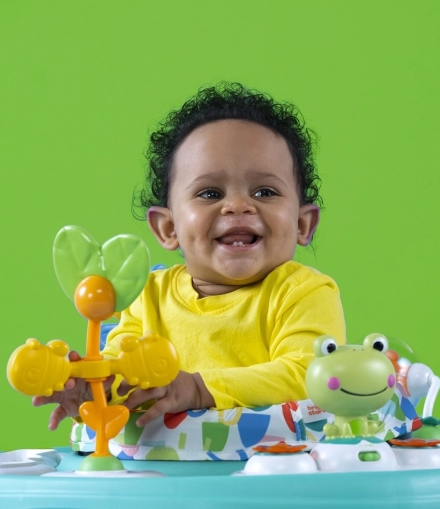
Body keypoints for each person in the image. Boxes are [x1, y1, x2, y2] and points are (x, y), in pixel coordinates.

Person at [33, 82, 346, 430]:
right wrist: (92, 391)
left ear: (302, 223)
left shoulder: (303, 293)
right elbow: (125, 379)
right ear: (169, 228)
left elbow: (311, 375)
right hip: (163, 464)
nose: (238, 205)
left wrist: (197, 388)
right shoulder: (147, 297)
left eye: (265, 191)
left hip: (275, 460)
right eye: (210, 193)